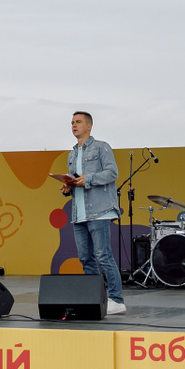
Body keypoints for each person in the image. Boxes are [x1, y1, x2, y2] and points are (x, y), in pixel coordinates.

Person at [61, 110, 126, 314]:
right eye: (72, 122)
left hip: (99, 211)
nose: (74, 125)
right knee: (85, 258)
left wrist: (87, 179)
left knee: (103, 255)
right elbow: (76, 180)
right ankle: (94, 298)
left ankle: (116, 300)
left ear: (89, 126)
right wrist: (68, 187)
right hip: (79, 214)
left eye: (78, 122)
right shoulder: (72, 154)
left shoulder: (101, 147)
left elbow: (112, 172)